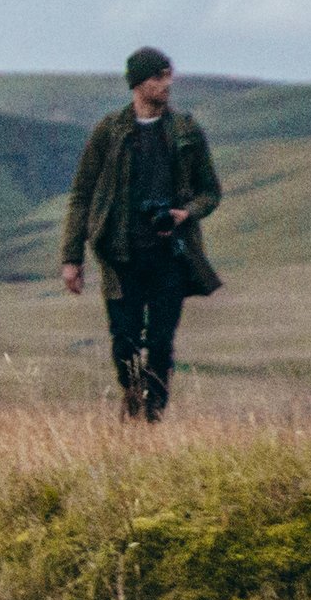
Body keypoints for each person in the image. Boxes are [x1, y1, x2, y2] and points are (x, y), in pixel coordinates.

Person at [61, 45, 221, 421]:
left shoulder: (185, 131)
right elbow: (81, 195)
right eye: (158, 77)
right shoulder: (110, 131)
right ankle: (132, 398)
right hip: (121, 256)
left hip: (170, 256)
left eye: (168, 75)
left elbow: (210, 191)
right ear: (138, 84)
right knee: (125, 342)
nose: (167, 84)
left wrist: (186, 213)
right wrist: (72, 257)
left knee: (162, 344)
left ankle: (151, 419)